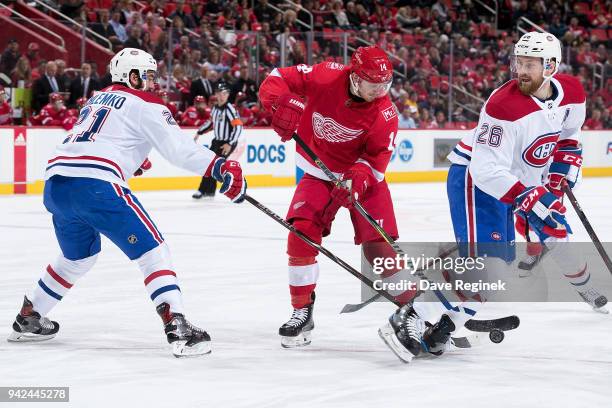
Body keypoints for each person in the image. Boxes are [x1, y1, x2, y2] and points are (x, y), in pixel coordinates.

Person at [380, 32, 607, 364]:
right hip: (476, 180)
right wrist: (527, 197)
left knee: (497, 272)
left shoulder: (572, 92)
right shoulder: (504, 105)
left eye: (531, 64)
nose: (522, 71)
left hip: (516, 186)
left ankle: (441, 329)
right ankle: (409, 316)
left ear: (552, 66)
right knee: (485, 270)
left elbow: (569, 138)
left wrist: (560, 172)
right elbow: (486, 169)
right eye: (520, 62)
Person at [7, 48, 247, 358]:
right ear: (132, 76)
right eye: (147, 75)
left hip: (56, 186)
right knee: (152, 250)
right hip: (97, 186)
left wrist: (128, 162)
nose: (152, 82)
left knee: (77, 257)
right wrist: (220, 166)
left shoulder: (97, 97)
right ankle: (177, 324)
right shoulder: (146, 103)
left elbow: (96, 139)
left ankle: (30, 315)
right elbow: (180, 151)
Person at [258, 46, 400, 348]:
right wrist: (279, 104)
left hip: (364, 181)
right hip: (319, 172)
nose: (380, 90)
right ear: (355, 77)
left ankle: (417, 312)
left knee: (380, 252)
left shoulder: (385, 113)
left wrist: (355, 181)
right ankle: (301, 311)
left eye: (384, 84)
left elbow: (376, 159)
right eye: (374, 83)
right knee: (300, 234)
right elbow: (276, 78)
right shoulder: (326, 76)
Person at [192, 82, 243, 199]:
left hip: (226, 143)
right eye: (219, 93)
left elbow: (238, 127)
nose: (221, 96)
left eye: (224, 93)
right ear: (216, 94)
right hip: (217, 141)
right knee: (208, 164)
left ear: (228, 95)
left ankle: (204, 190)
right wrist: (199, 132)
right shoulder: (215, 108)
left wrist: (230, 143)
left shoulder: (230, 109)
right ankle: (208, 191)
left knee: (213, 165)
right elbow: (210, 122)